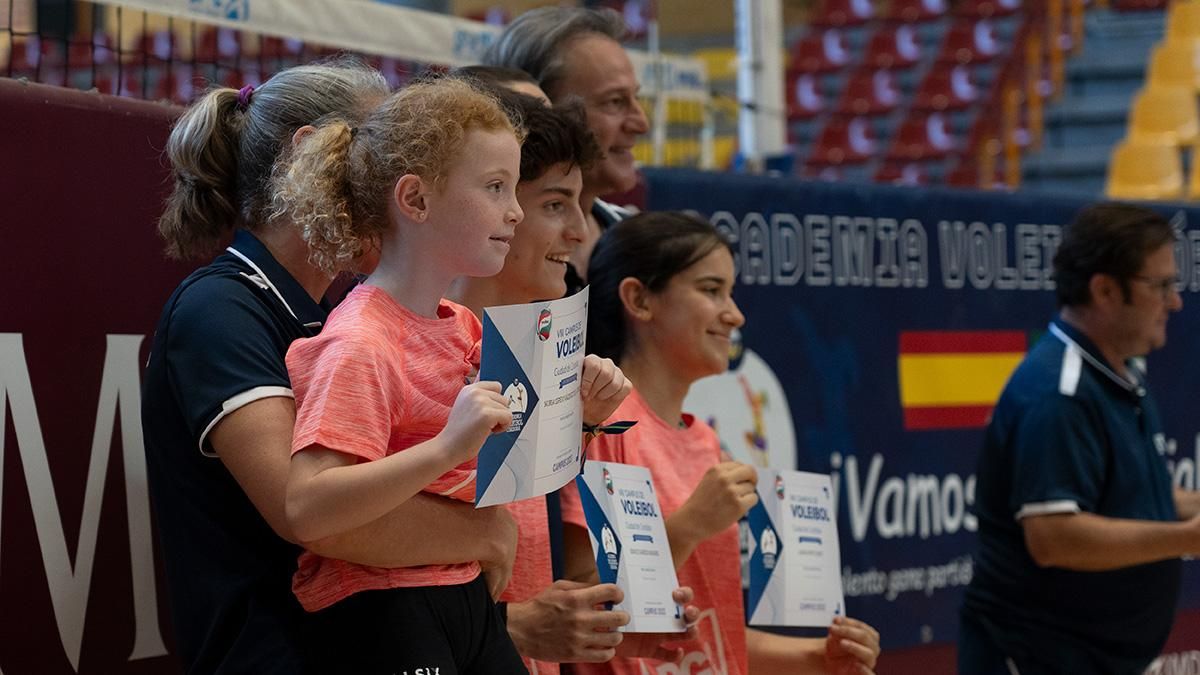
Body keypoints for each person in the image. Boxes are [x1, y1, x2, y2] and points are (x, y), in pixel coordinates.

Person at [143, 60, 520, 674]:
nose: (394, 176)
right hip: (274, 651)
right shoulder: (221, 310)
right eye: (374, 151)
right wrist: (481, 533)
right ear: (308, 156)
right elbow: (319, 523)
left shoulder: (339, 306)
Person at [273, 77, 632, 674]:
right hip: (382, 608)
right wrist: (446, 447)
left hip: (464, 596)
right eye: (495, 188)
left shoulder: (461, 326)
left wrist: (584, 421)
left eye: (514, 189)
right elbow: (309, 508)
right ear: (415, 200)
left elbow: (511, 474)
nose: (514, 211)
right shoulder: (360, 341)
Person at [558, 212, 882, 675]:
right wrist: (688, 526)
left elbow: (709, 632)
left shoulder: (708, 442)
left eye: (729, 293)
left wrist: (816, 658)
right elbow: (580, 607)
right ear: (639, 299)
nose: (735, 314)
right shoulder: (600, 425)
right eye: (711, 291)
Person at [445, 87, 700, 673]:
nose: (581, 232)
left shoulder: (529, 359)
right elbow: (355, 567)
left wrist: (610, 624)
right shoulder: (415, 353)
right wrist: (513, 626)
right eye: (556, 204)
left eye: (579, 205)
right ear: (493, 206)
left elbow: (531, 592)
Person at [960, 203, 1197, 675]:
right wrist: (1187, 537)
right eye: (1162, 286)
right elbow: (1055, 537)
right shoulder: (1058, 392)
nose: (1176, 302)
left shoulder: (1117, 376)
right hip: (1037, 656)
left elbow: (1130, 498)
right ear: (1106, 290)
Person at [483, 6, 649, 284]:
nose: (641, 123)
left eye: (635, 98)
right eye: (615, 102)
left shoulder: (639, 246)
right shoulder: (474, 264)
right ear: (539, 111)